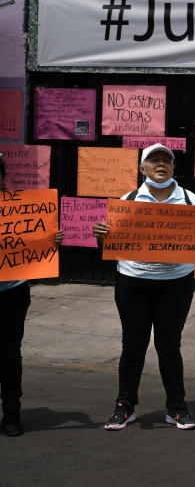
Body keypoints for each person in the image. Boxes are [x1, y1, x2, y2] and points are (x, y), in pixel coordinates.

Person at [91, 143, 195, 431]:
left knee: (169, 346)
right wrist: (101, 236)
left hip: (175, 285)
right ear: (142, 168)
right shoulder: (129, 200)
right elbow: (110, 244)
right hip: (133, 282)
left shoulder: (189, 201)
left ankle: (177, 408)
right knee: (132, 345)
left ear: (173, 168)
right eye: (154, 160)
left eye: (166, 161)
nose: (161, 164)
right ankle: (124, 406)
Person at [0, 153, 62, 436]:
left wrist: (51, 239)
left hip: (11, 291)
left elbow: (34, 241)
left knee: (10, 353)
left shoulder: (21, 209)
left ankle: (11, 412)